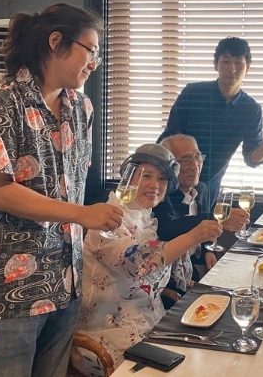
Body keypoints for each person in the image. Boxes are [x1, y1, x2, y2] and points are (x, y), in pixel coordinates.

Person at [0, 3, 124, 377]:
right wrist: (83, 214)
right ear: (56, 41)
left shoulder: (81, 107)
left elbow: (71, 186)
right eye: (91, 50)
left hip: (63, 284)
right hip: (3, 295)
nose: (95, 63)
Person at [72, 144, 222, 376]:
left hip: (151, 327)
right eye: (146, 175)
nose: (155, 185)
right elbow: (138, 264)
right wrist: (193, 236)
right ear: (127, 178)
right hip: (107, 339)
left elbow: (175, 277)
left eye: (162, 179)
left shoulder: (148, 220)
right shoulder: (107, 218)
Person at [158, 36, 263, 201]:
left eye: (238, 63)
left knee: (205, 218)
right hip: (174, 182)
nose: (232, 69)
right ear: (215, 64)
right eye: (226, 61)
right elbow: (168, 139)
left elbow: (252, 158)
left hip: (209, 188)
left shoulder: (251, 109)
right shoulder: (193, 93)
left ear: (247, 68)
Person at [154, 134, 249, 286]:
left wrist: (207, 250)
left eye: (197, 157)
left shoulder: (202, 189)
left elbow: (204, 236)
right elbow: (167, 230)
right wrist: (215, 218)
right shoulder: (160, 194)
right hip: (169, 277)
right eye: (186, 159)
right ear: (169, 166)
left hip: (197, 267)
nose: (195, 166)